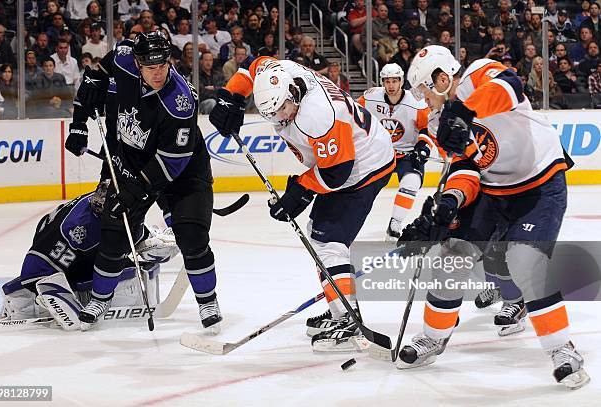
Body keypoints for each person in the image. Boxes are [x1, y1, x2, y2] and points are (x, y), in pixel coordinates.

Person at [395, 45, 589, 389]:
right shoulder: (441, 122)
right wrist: (450, 203)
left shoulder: (479, 74)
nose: (423, 100)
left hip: (540, 184)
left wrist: (464, 111)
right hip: (492, 191)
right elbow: (465, 170)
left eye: (425, 90)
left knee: (525, 260)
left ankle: (562, 349)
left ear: (441, 79)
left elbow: (509, 85)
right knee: (449, 255)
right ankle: (433, 337)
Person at [208, 55, 395, 351]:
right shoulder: (281, 74)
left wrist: (301, 191)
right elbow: (251, 64)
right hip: (349, 156)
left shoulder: (318, 115)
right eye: (269, 114)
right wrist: (230, 97)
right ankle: (339, 306)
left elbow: (337, 172)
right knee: (319, 233)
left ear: (293, 94)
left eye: (282, 110)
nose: (278, 119)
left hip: (364, 166)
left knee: (328, 240)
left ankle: (347, 318)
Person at [64, 31, 223, 332]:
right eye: (150, 67)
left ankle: (208, 301)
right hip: (132, 162)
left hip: (183, 171)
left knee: (191, 237)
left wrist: (135, 191)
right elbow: (93, 80)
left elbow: (172, 161)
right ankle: (100, 299)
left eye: (162, 65)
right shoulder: (123, 58)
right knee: (113, 237)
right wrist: (78, 125)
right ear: (137, 63)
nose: (158, 73)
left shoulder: (180, 101)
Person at [0, 182, 178, 330]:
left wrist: (152, 242)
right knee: (113, 271)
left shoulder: (108, 203)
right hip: (42, 268)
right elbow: (34, 268)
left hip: (63, 251)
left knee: (120, 265)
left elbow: (128, 233)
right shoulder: (79, 229)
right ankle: (22, 304)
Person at [356, 63, 433, 240]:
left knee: (412, 181)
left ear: (401, 81)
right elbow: (353, 114)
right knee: (361, 189)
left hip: (407, 154)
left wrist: (422, 148)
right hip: (380, 154)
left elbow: (427, 128)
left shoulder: (416, 102)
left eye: (394, 81)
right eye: (387, 81)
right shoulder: (371, 97)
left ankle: (395, 224)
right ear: (382, 82)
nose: (391, 85)